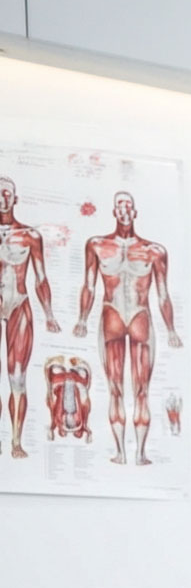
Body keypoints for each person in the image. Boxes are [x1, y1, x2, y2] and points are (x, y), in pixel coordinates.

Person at [73, 190, 182, 466]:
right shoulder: (97, 245)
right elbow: (89, 284)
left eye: (128, 206)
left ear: (134, 213)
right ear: (114, 212)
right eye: (119, 206)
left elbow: (163, 293)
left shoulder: (154, 251)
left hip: (140, 316)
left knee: (142, 388)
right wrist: (82, 319)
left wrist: (171, 330)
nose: (123, 210)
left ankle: (141, 452)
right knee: (115, 387)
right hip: (111, 315)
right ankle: (120, 452)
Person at [0, 175, 62, 458]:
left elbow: (40, 277)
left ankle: (15, 441)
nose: (2, 198)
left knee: (17, 377)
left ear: (15, 198)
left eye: (6, 193)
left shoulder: (29, 236)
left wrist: (49, 313)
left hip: (20, 305)